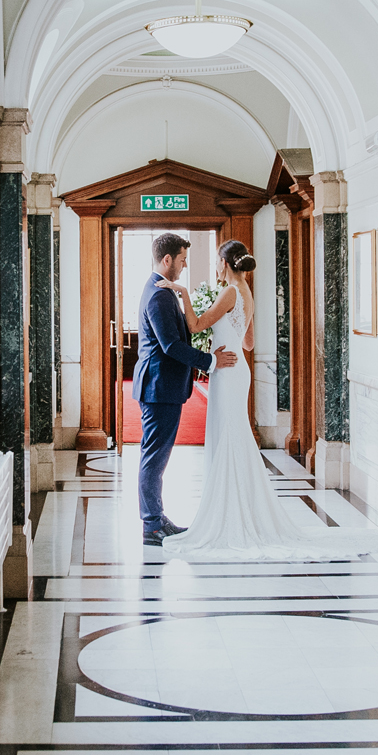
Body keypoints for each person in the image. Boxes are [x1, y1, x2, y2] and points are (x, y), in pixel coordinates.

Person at [160, 239, 378, 560]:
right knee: (235, 434)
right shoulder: (246, 293)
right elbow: (250, 343)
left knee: (227, 435)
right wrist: (228, 336)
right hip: (237, 368)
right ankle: (239, 506)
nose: (214, 266)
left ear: (224, 264)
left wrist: (182, 293)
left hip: (227, 372)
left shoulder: (229, 292)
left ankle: (229, 512)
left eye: (215, 261)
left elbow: (196, 324)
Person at [132, 232, 238, 545]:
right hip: (159, 388)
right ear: (167, 260)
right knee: (154, 458)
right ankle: (151, 524)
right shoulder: (160, 295)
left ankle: (156, 516)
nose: (184, 264)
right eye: (182, 259)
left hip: (160, 386)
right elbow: (170, 346)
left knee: (157, 457)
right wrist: (210, 361)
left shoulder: (160, 289)